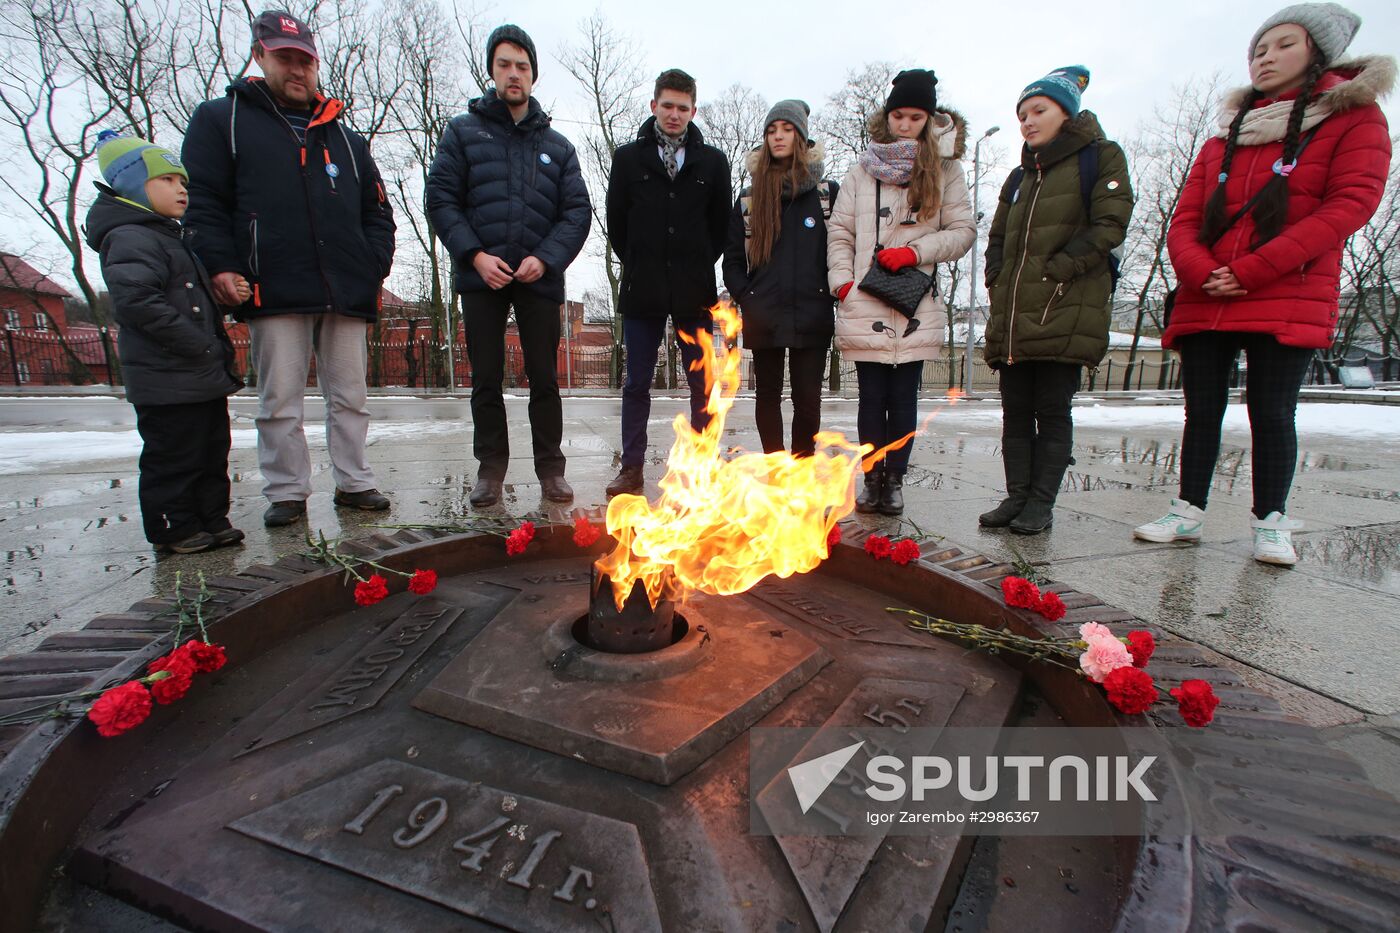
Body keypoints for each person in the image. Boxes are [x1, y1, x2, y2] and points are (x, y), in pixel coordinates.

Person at [1132, 2, 1391, 566]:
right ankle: (1187, 509)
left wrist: (1251, 270)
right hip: (1207, 291)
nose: (1265, 58)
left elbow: (1350, 205)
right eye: (1258, 49)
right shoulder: (1224, 136)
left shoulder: (1354, 118)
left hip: (1285, 289)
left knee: (1272, 409)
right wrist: (1200, 271)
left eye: (1283, 45)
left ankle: (1271, 520)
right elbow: (1185, 219)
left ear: (1319, 52)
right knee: (1201, 409)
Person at [182, 9, 396, 528]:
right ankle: (287, 491)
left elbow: (377, 210)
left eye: (305, 60)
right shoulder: (224, 121)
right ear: (261, 56)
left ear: (316, 64)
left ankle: (354, 481)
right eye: (285, 58)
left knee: (350, 396)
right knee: (280, 397)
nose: (296, 70)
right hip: (273, 282)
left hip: (345, 286)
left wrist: (373, 266)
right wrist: (222, 264)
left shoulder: (346, 138)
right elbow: (204, 200)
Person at [427, 25, 592, 508]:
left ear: (534, 76)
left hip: (539, 279)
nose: (514, 74)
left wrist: (546, 258)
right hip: (482, 276)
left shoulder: (558, 146)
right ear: (492, 71)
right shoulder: (462, 132)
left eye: (522, 66)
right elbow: (440, 199)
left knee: (545, 377)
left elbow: (577, 211)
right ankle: (490, 470)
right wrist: (475, 256)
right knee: (485, 376)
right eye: (505, 64)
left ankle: (551, 470)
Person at [980, 67, 1135, 535]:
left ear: (1066, 112)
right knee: (1014, 413)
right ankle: (1016, 496)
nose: (1027, 122)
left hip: (1064, 309)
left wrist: (1059, 270)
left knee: (1050, 410)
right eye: (1022, 114)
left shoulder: (1101, 157)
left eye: (1038, 111)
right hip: (1015, 315)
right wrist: (997, 279)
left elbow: (1110, 224)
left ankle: (1040, 503)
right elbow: (998, 238)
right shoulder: (1018, 177)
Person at [87, 132, 244, 554]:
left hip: (199, 373)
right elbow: (138, 301)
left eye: (183, 183)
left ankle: (212, 518)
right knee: (174, 455)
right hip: (167, 377)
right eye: (168, 181)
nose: (181, 191)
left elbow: (187, 296)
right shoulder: (130, 238)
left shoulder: (169, 237)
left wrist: (221, 302)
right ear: (135, 184)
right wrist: (197, 341)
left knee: (212, 450)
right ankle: (174, 527)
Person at [827, 69, 975, 515]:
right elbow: (840, 231)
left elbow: (963, 231)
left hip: (913, 300)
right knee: (871, 399)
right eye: (898, 115)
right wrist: (843, 283)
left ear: (928, 119)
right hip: (865, 299)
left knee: (903, 399)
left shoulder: (946, 171)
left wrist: (915, 252)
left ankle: (895, 480)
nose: (905, 124)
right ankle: (871, 477)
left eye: (914, 116)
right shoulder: (861, 171)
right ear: (887, 118)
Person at [604, 69, 731, 497]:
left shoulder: (713, 162)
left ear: (693, 111)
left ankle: (702, 468)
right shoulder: (627, 160)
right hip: (642, 289)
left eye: (683, 107)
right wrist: (644, 262)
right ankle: (631, 468)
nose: (674, 114)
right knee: (637, 382)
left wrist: (692, 263)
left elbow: (719, 229)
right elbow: (616, 225)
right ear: (653, 106)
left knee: (702, 385)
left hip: (694, 291)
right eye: (667, 105)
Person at [723, 101, 838, 458]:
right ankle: (775, 467)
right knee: (767, 395)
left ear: (801, 137)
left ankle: (801, 471)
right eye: (772, 131)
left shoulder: (826, 195)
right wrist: (748, 295)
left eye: (787, 129)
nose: (778, 137)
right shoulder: (750, 198)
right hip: (765, 310)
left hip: (812, 309)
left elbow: (841, 248)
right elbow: (733, 259)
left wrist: (830, 292)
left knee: (808, 398)